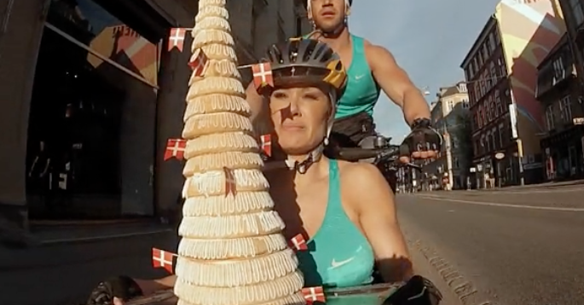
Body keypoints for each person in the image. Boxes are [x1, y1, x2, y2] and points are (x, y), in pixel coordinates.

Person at [86, 39, 440, 305]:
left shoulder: (359, 181)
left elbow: (398, 273)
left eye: (310, 97)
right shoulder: (243, 187)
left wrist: (411, 293)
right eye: (280, 97)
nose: (292, 109)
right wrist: (136, 287)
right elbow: (207, 277)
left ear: (330, 113)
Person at [246, 0, 441, 175]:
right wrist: (236, 129)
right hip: (303, 140)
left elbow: (406, 91)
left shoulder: (372, 54)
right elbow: (254, 95)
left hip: (356, 144)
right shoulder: (289, 52)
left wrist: (421, 126)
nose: (327, 2)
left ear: (347, 8)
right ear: (309, 12)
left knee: (375, 180)